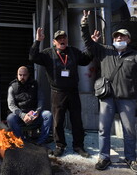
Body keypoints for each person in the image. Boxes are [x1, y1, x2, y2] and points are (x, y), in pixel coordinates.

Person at [80, 10, 137, 173]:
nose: (119, 39)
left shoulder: (136, 56)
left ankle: (131, 158)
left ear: (128, 39)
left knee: (129, 131)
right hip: (107, 98)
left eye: (122, 36)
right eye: (116, 37)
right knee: (103, 129)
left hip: (127, 99)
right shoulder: (105, 51)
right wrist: (84, 25)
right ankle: (104, 157)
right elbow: (88, 43)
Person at [29, 28, 92, 157]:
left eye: (64, 38)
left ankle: (78, 146)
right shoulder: (47, 54)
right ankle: (60, 145)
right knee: (58, 121)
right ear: (54, 42)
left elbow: (86, 60)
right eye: (59, 39)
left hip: (73, 91)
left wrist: (92, 45)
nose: (62, 40)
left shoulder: (73, 52)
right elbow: (32, 57)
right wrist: (37, 41)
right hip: (58, 93)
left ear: (67, 39)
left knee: (77, 121)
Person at [6, 66, 53, 145]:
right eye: (20, 75)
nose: (22, 77)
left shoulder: (35, 85)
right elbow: (11, 105)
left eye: (24, 75)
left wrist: (37, 112)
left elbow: (41, 100)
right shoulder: (12, 87)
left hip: (34, 113)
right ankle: (22, 142)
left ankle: (40, 142)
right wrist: (23, 115)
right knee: (10, 118)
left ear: (28, 75)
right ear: (17, 75)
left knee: (48, 115)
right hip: (20, 115)